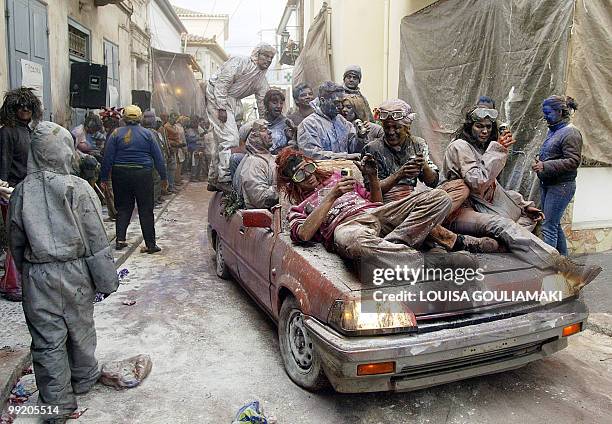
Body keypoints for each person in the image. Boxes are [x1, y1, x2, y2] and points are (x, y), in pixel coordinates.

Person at [8, 122, 119, 423]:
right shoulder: (79, 188)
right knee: (80, 326)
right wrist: (107, 279)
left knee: (47, 340)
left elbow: (15, 240)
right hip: (75, 273)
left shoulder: (21, 192)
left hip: (38, 274)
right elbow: (96, 238)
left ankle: (56, 406)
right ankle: (83, 377)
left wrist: (24, 269)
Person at [443, 106, 601, 291]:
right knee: (503, 225)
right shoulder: (460, 146)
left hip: (483, 205)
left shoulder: (481, 148)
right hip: (460, 209)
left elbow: (495, 187)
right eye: (479, 126)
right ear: (469, 127)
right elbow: (478, 182)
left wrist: (523, 205)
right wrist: (498, 149)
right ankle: (564, 268)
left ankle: (542, 270)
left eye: (488, 126)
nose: (484, 131)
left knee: (529, 218)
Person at [276, 149, 476, 272]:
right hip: (347, 226)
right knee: (357, 243)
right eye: (300, 176)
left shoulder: (337, 178)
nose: (309, 177)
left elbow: (377, 203)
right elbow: (303, 234)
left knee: (439, 198)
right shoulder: (299, 207)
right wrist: (331, 196)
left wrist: (372, 177)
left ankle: (393, 246)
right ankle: (429, 263)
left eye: (308, 168)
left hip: (375, 213)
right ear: (291, 183)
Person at [363, 99, 498, 253]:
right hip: (389, 206)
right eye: (387, 127)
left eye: (397, 127)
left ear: (407, 127)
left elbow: (433, 181)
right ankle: (455, 241)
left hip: (416, 200)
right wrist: (399, 175)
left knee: (458, 187)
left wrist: (424, 166)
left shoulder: (418, 144)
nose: (391, 132)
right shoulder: (372, 149)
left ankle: (427, 229)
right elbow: (372, 195)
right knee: (425, 213)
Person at [205, 42, 277, 192]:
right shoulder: (240, 62)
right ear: (256, 54)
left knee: (221, 139)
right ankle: (224, 179)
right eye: (266, 56)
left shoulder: (261, 78)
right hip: (216, 94)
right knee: (230, 139)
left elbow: (262, 102)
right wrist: (221, 107)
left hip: (233, 100)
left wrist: (265, 122)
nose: (269, 60)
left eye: (271, 57)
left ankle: (213, 178)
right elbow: (222, 83)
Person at [101, 105, 168, 254]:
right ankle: (150, 244)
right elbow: (159, 158)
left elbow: (108, 157)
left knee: (123, 208)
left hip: (120, 174)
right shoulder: (148, 134)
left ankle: (120, 239)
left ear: (124, 118)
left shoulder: (116, 134)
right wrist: (164, 177)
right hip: (143, 175)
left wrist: (104, 178)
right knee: (146, 209)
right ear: (140, 119)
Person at [0, 87, 42, 301]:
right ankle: (11, 285)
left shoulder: (29, 130)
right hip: (12, 191)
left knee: (26, 237)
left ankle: (18, 281)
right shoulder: (7, 131)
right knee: (15, 238)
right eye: (20, 106)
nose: (25, 109)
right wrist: (4, 187)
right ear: (12, 108)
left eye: (28, 106)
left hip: (28, 189)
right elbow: (4, 160)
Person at [532, 95, 581, 256]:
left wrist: (545, 165)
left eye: (548, 112)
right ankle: (564, 262)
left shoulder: (571, 133)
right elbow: (553, 154)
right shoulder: (554, 130)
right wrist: (540, 160)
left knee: (548, 226)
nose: (545, 116)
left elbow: (573, 161)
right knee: (554, 224)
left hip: (561, 187)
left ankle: (548, 267)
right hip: (548, 183)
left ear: (560, 112)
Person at [296, 81, 360, 160]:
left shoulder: (342, 121)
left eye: (341, 102)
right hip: (321, 171)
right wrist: (345, 157)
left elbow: (353, 148)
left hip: (345, 170)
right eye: (336, 102)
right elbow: (312, 155)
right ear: (323, 101)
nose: (340, 106)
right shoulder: (309, 124)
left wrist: (360, 137)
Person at [233, 119, 278, 209]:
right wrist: (285, 188)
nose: (269, 132)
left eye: (268, 129)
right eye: (263, 130)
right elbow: (261, 199)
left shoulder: (273, 158)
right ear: (252, 137)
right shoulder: (253, 163)